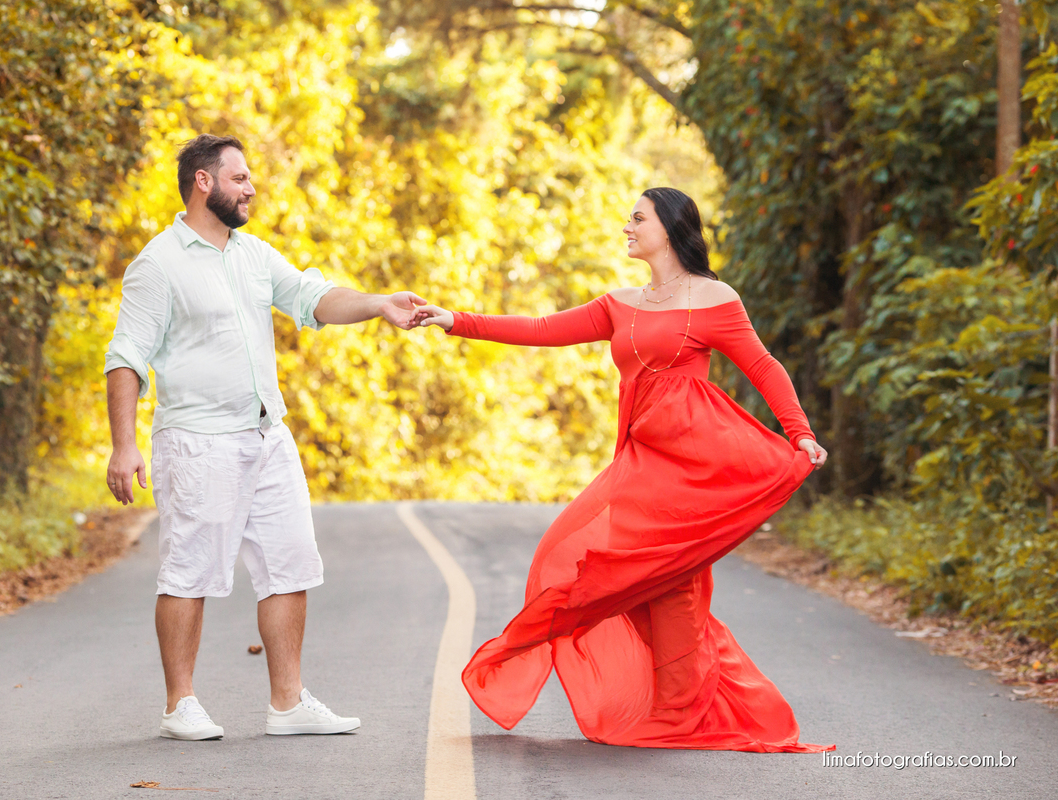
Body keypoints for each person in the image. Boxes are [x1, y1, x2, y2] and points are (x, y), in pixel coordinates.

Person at [414, 187, 834, 752]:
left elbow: (762, 365)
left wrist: (799, 432)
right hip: (638, 466)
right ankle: (675, 697)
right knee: (609, 570)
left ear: (672, 228)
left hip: (690, 467)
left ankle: (678, 710)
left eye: (638, 218)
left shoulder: (714, 298)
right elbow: (541, 329)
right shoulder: (620, 303)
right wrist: (454, 320)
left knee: (673, 582)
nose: (627, 227)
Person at [104, 134, 426, 741]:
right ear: (203, 182)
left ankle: (288, 702)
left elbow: (312, 297)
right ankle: (180, 704)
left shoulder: (251, 254)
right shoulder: (158, 264)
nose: (251, 188)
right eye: (240, 178)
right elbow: (126, 356)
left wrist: (379, 303)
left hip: (266, 436)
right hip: (197, 442)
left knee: (290, 563)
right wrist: (124, 445)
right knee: (189, 573)